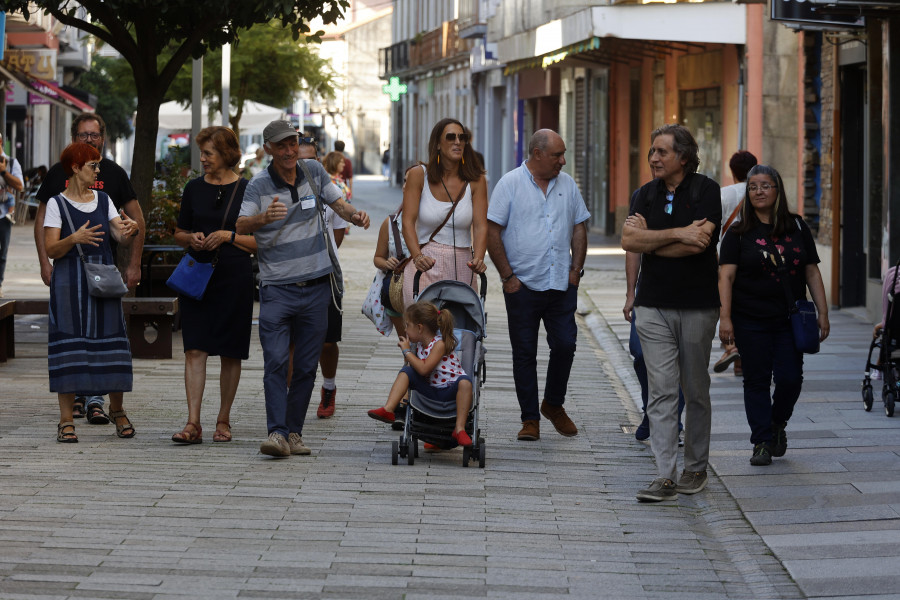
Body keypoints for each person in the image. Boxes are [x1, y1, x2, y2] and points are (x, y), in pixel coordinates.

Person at [236, 120, 369, 458]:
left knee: (307, 366)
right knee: (277, 361)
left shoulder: (313, 170)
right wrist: (263, 219)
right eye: (281, 145)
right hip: (277, 287)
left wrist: (355, 216)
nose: (289, 150)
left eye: (293, 143)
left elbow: (338, 204)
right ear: (268, 148)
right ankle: (276, 433)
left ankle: (294, 432)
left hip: (317, 287)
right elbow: (240, 224)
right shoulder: (258, 186)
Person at [621, 124, 721, 502]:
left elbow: (700, 245)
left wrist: (654, 241)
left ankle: (695, 467)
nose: (653, 158)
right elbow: (630, 240)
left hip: (697, 304)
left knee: (695, 389)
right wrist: (679, 234)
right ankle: (664, 475)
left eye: (662, 151)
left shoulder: (706, 190)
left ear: (683, 156)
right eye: (651, 151)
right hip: (652, 305)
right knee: (661, 392)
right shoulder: (644, 195)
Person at [34, 113, 146, 424]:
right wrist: (68, 243)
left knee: (108, 337)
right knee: (71, 339)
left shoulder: (107, 193)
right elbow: (49, 239)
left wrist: (130, 232)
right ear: (75, 167)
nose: (97, 169)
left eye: (93, 136)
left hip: (101, 274)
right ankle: (69, 416)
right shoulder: (57, 192)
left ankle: (109, 405)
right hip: (70, 275)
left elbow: (121, 234)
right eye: (91, 165)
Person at [718, 164, 829, 466]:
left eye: (765, 185)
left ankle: (778, 423)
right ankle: (762, 442)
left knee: (791, 379)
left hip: (788, 319)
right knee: (755, 381)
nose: (758, 191)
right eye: (753, 187)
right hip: (749, 319)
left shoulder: (797, 227)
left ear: (778, 190)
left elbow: (811, 270)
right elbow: (725, 277)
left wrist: (823, 312)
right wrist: (725, 318)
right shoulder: (738, 234)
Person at [487, 129, 589, 441]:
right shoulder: (510, 184)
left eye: (564, 154)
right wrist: (508, 277)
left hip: (561, 283)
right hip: (523, 286)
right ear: (536, 154)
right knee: (524, 353)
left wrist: (576, 270)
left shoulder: (567, 185)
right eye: (557, 155)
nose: (563, 161)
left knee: (565, 345)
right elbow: (492, 232)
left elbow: (579, 227)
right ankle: (530, 418)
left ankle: (553, 404)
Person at [170, 127, 257, 444]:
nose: (203, 159)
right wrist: (189, 237)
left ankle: (223, 420)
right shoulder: (193, 188)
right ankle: (193, 423)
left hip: (233, 274)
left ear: (227, 154)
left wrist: (228, 236)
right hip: (198, 273)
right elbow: (179, 231)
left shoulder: (249, 190)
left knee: (230, 352)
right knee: (194, 348)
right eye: (202, 153)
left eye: (209, 153)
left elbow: (260, 242)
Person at [401, 118, 488, 309]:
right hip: (425, 263)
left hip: (464, 264)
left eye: (462, 137)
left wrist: (478, 259)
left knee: (461, 333)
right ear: (438, 144)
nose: (458, 141)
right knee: (422, 331)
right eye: (451, 137)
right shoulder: (418, 175)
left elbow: (481, 226)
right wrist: (417, 257)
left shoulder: (477, 180)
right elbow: (407, 222)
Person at [367, 300, 474, 447]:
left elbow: (424, 369)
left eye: (407, 325)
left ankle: (459, 428)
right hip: (431, 390)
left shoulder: (439, 344)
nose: (405, 329)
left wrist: (406, 351)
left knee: (466, 382)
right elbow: (417, 370)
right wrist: (410, 356)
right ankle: (389, 409)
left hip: (450, 392)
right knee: (407, 371)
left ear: (419, 328)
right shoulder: (419, 346)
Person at [624, 250, 685, 442]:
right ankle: (652, 411)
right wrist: (630, 293)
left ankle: (671, 421)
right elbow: (633, 248)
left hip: (687, 291)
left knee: (680, 360)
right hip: (649, 290)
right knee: (640, 353)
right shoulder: (642, 218)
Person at [310, 146, 349, 418]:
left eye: (312, 158)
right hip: (290, 275)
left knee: (327, 341)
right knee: (290, 341)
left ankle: (329, 387)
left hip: (326, 274)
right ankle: (289, 397)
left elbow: (337, 236)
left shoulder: (331, 192)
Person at [713, 150, 758, 376]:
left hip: (726, 260)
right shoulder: (760, 193)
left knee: (727, 305)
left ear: (732, 172)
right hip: (754, 258)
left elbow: (713, 230)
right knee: (748, 306)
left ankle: (732, 347)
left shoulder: (723, 194)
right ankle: (741, 361)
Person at [0, 132, 24, 298]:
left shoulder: (11, 162)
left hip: (3, 215)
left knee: (2, 253)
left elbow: (19, 186)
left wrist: (3, 172)